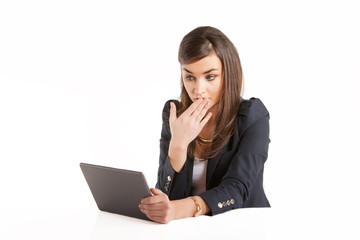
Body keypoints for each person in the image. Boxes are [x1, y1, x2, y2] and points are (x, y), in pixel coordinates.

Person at [138, 26, 270, 224]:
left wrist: (176, 210)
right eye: (189, 77)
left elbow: (237, 188)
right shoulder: (174, 114)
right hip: (191, 230)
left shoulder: (252, 115)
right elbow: (165, 193)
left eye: (210, 77)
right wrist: (178, 146)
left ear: (228, 74)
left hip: (245, 226)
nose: (198, 90)